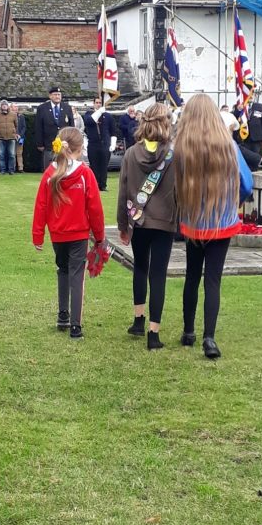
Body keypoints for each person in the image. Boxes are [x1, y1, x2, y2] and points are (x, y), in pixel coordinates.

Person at [174, 94, 253, 359]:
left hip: (193, 220)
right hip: (222, 220)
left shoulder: (181, 147)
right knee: (213, 280)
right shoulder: (229, 146)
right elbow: (246, 184)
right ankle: (209, 337)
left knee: (192, 276)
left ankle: (188, 331)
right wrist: (232, 202)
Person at [32, 127, 105, 339]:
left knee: (62, 270)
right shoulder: (84, 174)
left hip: (58, 233)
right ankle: (75, 325)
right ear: (80, 148)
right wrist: (99, 236)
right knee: (76, 276)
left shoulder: (50, 173)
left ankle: (63, 314)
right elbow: (95, 208)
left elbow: (41, 206)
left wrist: (38, 235)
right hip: (79, 234)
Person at [117, 102, 177, 350]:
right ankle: (154, 333)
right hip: (165, 222)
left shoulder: (131, 153)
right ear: (167, 123)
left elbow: (122, 190)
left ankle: (138, 320)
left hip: (138, 220)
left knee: (140, 268)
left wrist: (123, 224)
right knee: (158, 274)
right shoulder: (174, 155)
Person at [35, 85, 74, 169]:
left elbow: (71, 126)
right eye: (55, 94)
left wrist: (71, 142)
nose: (57, 96)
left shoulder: (67, 108)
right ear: (50, 96)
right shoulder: (42, 108)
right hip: (49, 145)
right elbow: (39, 127)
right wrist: (40, 143)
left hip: (64, 145)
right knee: (49, 170)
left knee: (64, 169)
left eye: (59, 94)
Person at [83, 96, 115, 192]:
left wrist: (112, 144)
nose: (98, 104)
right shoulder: (89, 114)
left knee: (104, 166)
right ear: (93, 104)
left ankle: (103, 185)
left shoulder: (108, 116)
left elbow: (113, 131)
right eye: (96, 102)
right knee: (94, 166)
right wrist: (99, 111)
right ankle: (95, 185)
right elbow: (90, 121)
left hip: (105, 144)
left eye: (100, 102)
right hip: (93, 144)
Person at [0, 99, 18, 174]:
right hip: (1, 137)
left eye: (5, 105)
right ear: (1, 106)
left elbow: (16, 125)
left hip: (11, 137)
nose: (4, 106)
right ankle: (3, 170)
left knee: (12, 154)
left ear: (8, 106)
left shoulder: (13, 114)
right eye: (3, 105)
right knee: (1, 154)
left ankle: (11, 170)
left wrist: (14, 133)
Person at [10, 102, 27, 173]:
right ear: (11, 108)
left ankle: (20, 168)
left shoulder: (21, 116)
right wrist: (14, 134)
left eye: (17, 107)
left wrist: (20, 135)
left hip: (21, 137)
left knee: (20, 153)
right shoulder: (9, 116)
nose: (16, 108)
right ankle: (12, 168)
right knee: (12, 153)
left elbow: (24, 127)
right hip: (12, 137)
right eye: (14, 106)